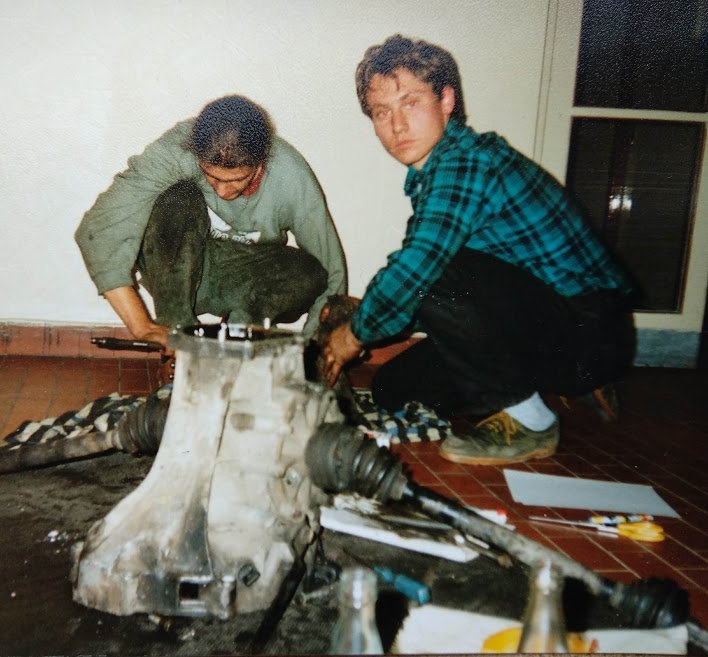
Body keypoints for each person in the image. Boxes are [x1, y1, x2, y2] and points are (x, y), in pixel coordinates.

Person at [323, 35, 635, 465]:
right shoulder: (436, 175)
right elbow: (454, 301)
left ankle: (533, 424)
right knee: (395, 387)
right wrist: (363, 316)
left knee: (433, 273)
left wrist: (353, 335)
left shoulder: (466, 161)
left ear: (446, 100)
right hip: (551, 326)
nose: (397, 125)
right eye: (382, 112)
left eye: (410, 102)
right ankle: (556, 387)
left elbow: (421, 269)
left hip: (592, 331)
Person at [76, 95, 346, 348]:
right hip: (180, 265)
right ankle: (176, 328)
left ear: (262, 159)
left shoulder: (291, 176)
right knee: (178, 198)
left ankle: (239, 335)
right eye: (212, 177)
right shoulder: (177, 150)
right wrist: (142, 327)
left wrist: (315, 348)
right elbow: (100, 228)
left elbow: (332, 273)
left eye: (237, 180)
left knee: (312, 273)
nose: (223, 192)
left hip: (248, 275)